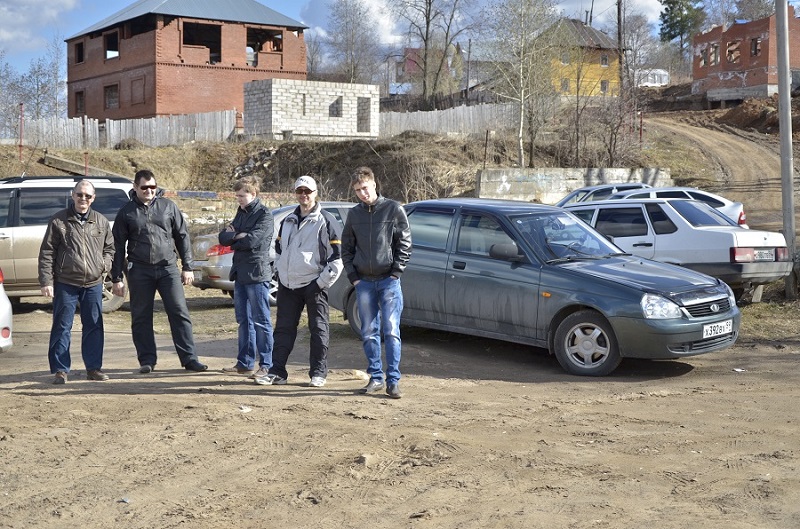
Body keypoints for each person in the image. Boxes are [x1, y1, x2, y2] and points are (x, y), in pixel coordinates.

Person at [111, 169, 208, 373]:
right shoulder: (126, 212)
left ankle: (190, 359)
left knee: (179, 312)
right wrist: (116, 278)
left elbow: (182, 236)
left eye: (153, 187)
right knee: (141, 316)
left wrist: (188, 266)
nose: (149, 191)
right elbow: (118, 246)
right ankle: (147, 361)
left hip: (168, 269)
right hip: (139, 270)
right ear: (135, 188)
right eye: (144, 187)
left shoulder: (168, 207)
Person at [255, 175, 343, 387]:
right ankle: (277, 372)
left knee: (318, 329)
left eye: (308, 191)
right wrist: (281, 273)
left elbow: (337, 257)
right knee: (283, 329)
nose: (303, 195)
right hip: (288, 285)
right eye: (299, 191)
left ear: (315, 193)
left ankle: (318, 373)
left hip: (314, 284)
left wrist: (320, 283)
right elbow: (279, 249)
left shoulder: (326, 221)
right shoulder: (288, 220)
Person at [341, 167, 411, 398]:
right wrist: (354, 277)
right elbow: (346, 249)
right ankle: (376, 377)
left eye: (365, 188)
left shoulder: (393, 209)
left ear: (374, 184)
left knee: (391, 331)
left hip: (388, 281)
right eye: (358, 190)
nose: (362, 193)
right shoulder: (354, 215)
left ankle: (393, 380)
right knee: (369, 332)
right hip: (364, 283)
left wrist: (396, 272)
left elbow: (405, 243)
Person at [38, 180, 115, 384]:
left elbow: (110, 249)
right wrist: (47, 281)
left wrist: (103, 265)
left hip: (93, 283)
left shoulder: (101, 221)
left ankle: (94, 368)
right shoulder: (59, 221)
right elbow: (47, 252)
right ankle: (61, 370)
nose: (83, 199)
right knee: (62, 326)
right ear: (73, 195)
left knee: (94, 326)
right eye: (79, 194)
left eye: (87, 196)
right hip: (66, 282)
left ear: (93, 198)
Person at [218, 176, 274, 379]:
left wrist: (238, 236)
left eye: (242, 196)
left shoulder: (264, 215)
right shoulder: (240, 213)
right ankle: (245, 363)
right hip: (240, 273)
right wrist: (236, 235)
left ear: (253, 194)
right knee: (244, 320)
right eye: (237, 196)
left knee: (261, 321)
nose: (239, 199)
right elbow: (223, 237)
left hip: (257, 274)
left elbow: (253, 241)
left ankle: (267, 365)